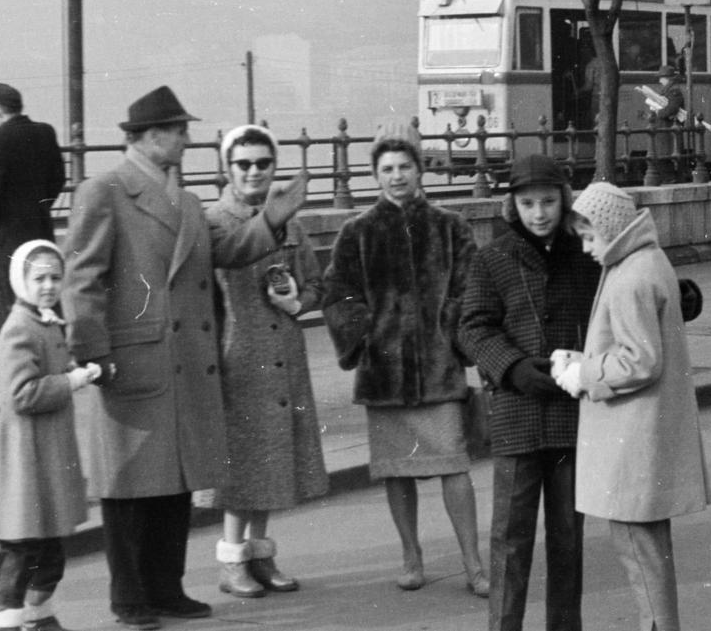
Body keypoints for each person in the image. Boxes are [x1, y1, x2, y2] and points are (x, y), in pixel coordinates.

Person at [61, 86, 308, 631]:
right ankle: (130, 599)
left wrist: (272, 219)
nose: (187, 139)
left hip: (185, 363)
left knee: (174, 484)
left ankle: (167, 590)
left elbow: (226, 251)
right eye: (179, 130)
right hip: (133, 363)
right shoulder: (104, 190)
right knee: (131, 487)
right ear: (151, 136)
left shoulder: (187, 201)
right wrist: (93, 352)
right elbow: (80, 279)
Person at [321, 123, 488, 597]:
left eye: (405, 166)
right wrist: (365, 335)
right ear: (375, 175)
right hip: (384, 374)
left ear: (419, 170)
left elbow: (472, 287)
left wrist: (450, 330)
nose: (397, 176)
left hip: (439, 370)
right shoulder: (357, 232)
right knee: (397, 470)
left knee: (454, 466)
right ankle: (411, 557)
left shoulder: (450, 226)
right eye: (387, 168)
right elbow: (337, 294)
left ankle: (474, 564)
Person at [549, 183, 710, 631]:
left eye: (589, 237)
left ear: (610, 228)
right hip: (645, 435)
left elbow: (639, 361)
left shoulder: (630, 276)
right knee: (649, 554)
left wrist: (583, 374)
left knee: (638, 552)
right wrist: (584, 360)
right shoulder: (646, 260)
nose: (586, 248)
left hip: (631, 441)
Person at [458, 154, 600, 631]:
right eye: (527, 204)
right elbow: (473, 327)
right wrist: (513, 367)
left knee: (568, 538)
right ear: (512, 205)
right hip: (516, 417)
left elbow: (617, 303)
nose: (538, 213)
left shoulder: (586, 253)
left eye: (548, 202)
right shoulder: (492, 258)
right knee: (510, 540)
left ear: (564, 200)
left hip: (572, 417)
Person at [206, 125, 329, 598]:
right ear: (227, 168)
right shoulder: (215, 221)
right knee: (243, 463)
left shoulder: (291, 224)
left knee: (274, 459)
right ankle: (231, 559)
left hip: (284, 355)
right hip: (238, 356)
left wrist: (299, 300)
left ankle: (259, 554)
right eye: (244, 164)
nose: (254, 171)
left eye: (263, 163)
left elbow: (317, 283)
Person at [0, 240, 99, 631]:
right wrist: (71, 380)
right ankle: (5, 618)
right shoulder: (19, 327)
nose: (49, 286)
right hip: (21, 452)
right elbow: (21, 394)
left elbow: (48, 369)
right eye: (39, 279)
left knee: (49, 546)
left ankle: (38, 615)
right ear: (22, 281)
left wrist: (75, 371)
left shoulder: (44, 321)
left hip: (41, 450)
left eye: (55, 277)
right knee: (25, 549)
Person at [0, 83, 66, 266]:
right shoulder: (46, 132)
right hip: (41, 226)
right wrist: (42, 204)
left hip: (9, 233)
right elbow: (59, 177)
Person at [639, 64, 688, 184]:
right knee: (662, 156)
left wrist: (658, 112)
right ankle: (668, 179)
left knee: (665, 157)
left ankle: (669, 179)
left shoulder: (673, 91)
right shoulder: (670, 90)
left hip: (667, 129)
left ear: (667, 78)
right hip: (664, 129)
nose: (660, 80)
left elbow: (672, 108)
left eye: (661, 77)